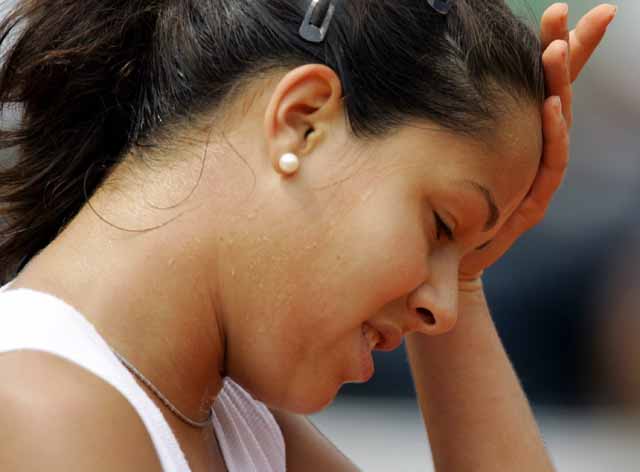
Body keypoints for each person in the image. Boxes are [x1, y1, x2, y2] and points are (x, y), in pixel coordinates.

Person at [0, 0, 615, 470]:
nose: (444, 312)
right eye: (440, 225)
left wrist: (465, 269)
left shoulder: (232, 423)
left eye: (459, 262)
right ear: (302, 123)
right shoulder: (48, 415)